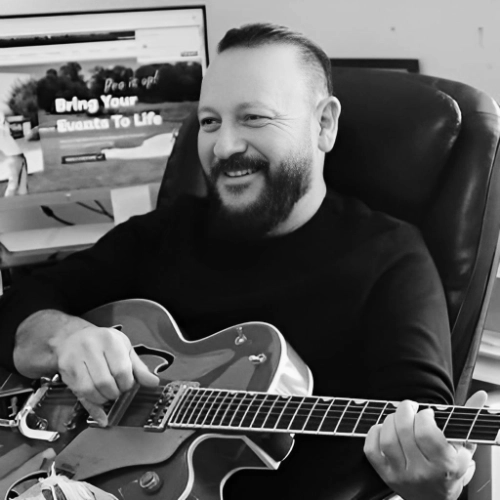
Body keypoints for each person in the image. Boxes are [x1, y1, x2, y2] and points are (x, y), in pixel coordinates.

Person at [0, 23, 486, 500]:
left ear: (323, 124)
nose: (225, 145)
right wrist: (66, 338)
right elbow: (24, 303)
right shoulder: (165, 232)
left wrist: (432, 483)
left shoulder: (392, 258)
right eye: (209, 122)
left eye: (253, 118)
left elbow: (422, 418)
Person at [0, 111, 28, 197]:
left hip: (12, 151)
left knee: (19, 183)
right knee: (14, 183)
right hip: (10, 150)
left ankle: (22, 203)